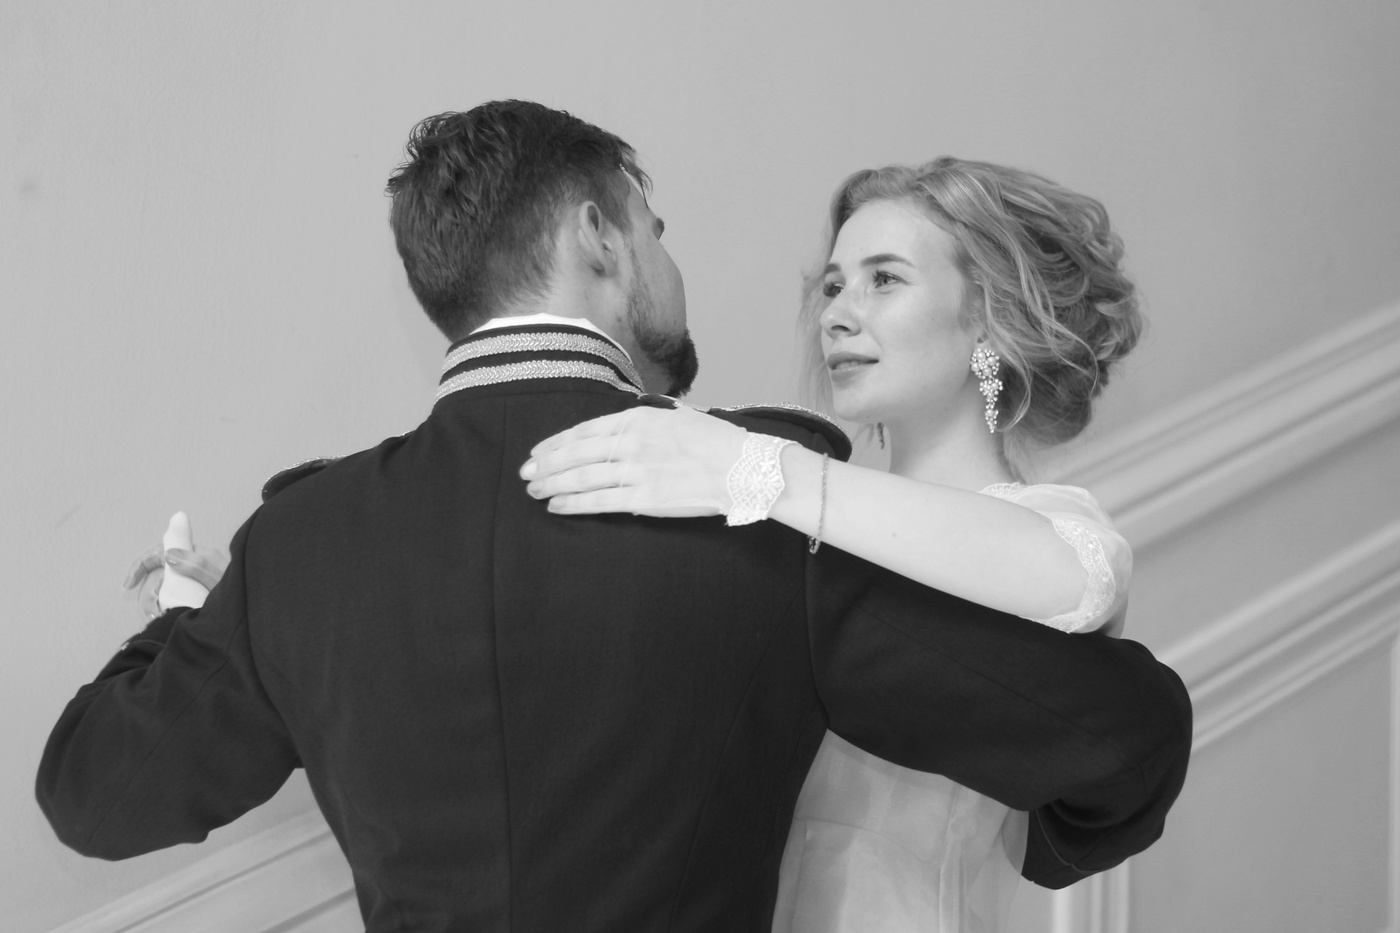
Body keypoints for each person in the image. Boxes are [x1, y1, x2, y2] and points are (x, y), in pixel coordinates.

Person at [36, 103, 1190, 932]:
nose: (833, 309)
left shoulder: (302, 540)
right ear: (598, 237)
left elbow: (95, 797)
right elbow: (1116, 736)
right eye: (655, 231)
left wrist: (194, 617)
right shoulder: (748, 520)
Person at [519, 157, 1141, 931]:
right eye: (835, 286)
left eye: (885, 279)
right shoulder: (800, 530)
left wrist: (749, 466)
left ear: (988, 313)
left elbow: (1080, 579)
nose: (838, 315)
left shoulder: (1050, 527)